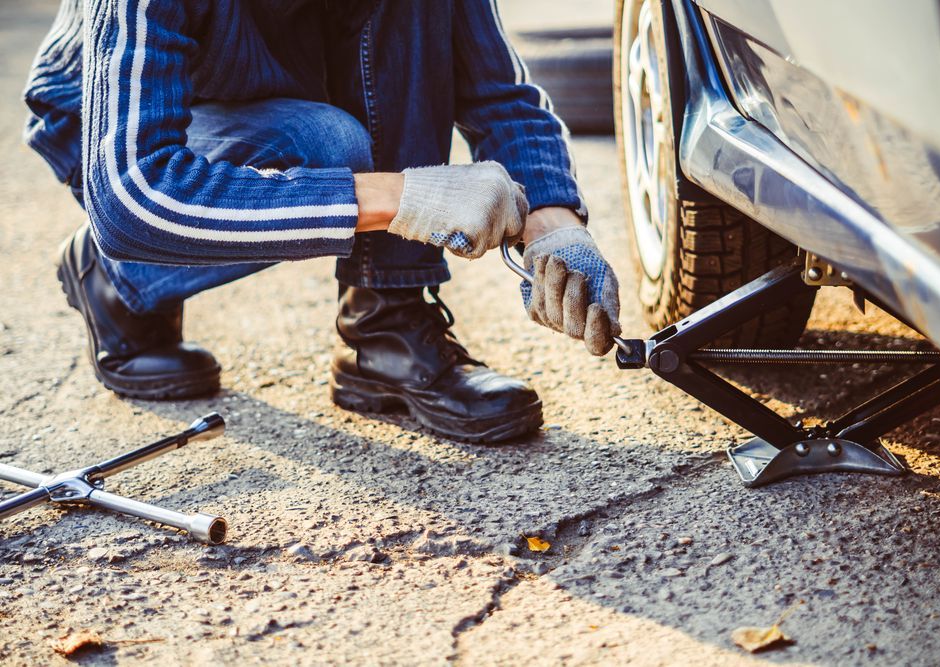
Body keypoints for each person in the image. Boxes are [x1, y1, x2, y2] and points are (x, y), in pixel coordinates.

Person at [23, 0, 621, 443]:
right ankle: (115, 276)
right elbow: (135, 193)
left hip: (288, 85)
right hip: (108, 123)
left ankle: (387, 323)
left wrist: (554, 222)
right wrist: (408, 198)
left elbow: (497, 92)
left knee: (409, 24)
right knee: (325, 145)